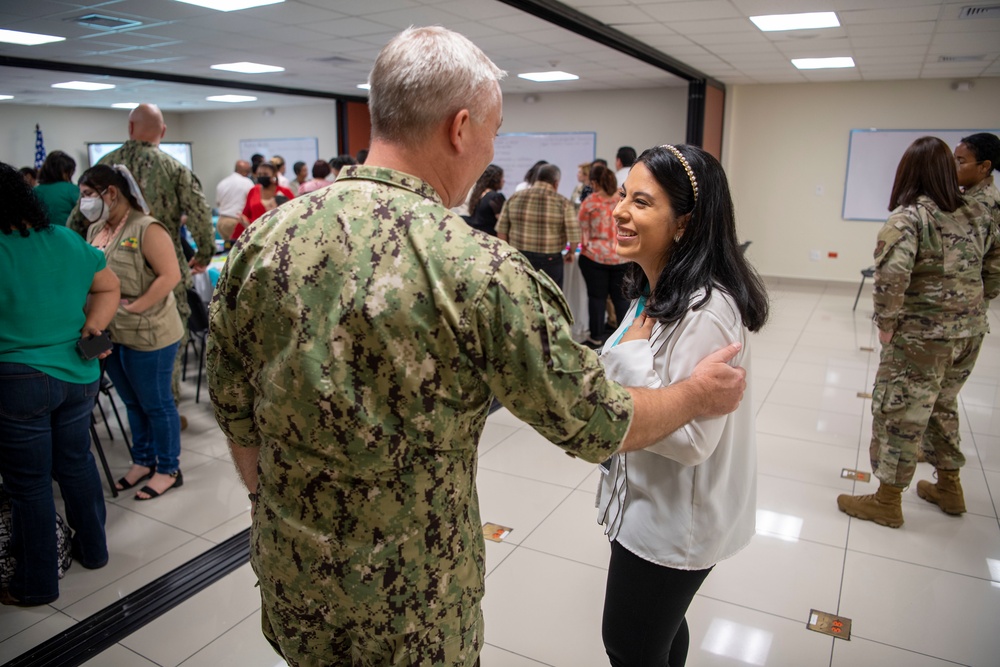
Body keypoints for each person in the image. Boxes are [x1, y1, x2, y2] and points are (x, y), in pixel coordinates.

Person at [207, 26, 746, 667]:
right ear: (460, 128)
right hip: (410, 604)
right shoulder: (478, 270)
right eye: (493, 130)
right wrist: (693, 393)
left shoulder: (262, 241)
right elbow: (596, 419)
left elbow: (233, 405)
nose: (493, 147)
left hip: (291, 572)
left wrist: (278, 502)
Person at [596, 144, 769, 667]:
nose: (620, 210)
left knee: (628, 644)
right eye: (623, 195)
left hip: (673, 522)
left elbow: (694, 440)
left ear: (684, 225)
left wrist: (626, 360)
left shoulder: (705, 310)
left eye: (642, 202)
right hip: (643, 502)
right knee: (662, 634)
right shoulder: (654, 286)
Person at [837, 137, 1000, 527]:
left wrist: (889, 326)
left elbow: (891, 278)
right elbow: (994, 270)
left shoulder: (909, 217)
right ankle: (949, 486)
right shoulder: (973, 212)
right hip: (969, 332)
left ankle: (888, 501)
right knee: (942, 407)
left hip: (923, 338)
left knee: (899, 412)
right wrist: (970, 309)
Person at [0, 161, 120, 606]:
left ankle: (36, 585)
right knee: (75, 463)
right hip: (78, 373)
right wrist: (94, 326)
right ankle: (95, 550)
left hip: (18, 381)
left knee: (29, 485)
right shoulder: (67, 239)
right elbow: (110, 288)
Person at [66, 103, 213, 426]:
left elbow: (77, 221)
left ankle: (139, 411)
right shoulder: (174, 168)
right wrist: (202, 255)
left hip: (109, 265)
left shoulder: (104, 167)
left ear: (130, 128)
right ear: (162, 132)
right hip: (164, 262)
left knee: (117, 342)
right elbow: (201, 215)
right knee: (167, 340)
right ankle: (166, 406)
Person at [80, 164, 186, 501]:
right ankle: (143, 460)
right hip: (110, 333)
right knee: (131, 401)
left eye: (87, 195)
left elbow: (170, 276)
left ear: (111, 193)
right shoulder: (96, 228)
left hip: (148, 332)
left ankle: (168, 469)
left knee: (156, 403)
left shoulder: (146, 228)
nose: (83, 203)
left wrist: (133, 307)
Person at [497, 163, 580, 289]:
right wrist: (571, 252)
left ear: (536, 178)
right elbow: (574, 236)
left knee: (520, 295)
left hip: (519, 256)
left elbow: (501, 231)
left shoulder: (514, 197)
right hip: (550, 260)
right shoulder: (563, 202)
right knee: (550, 301)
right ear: (556, 183)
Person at [577, 163, 629, 347]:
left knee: (597, 298)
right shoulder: (623, 201)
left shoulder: (590, 202)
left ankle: (596, 336)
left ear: (595, 183)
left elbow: (582, 230)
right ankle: (625, 337)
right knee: (621, 299)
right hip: (621, 256)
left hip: (594, 257)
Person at [231, 162, 294, 239]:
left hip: (278, 235)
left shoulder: (285, 192)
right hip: (255, 234)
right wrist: (234, 238)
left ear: (274, 175)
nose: (261, 177)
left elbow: (293, 212)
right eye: (259, 174)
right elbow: (245, 214)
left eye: (265, 174)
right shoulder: (253, 191)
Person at [955, 132, 1000, 223]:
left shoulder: (982, 203)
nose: (953, 165)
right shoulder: (968, 193)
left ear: (984, 166)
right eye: (954, 159)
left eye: (960, 161)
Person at [33, 151, 78, 227]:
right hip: (67, 234)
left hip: (41, 234)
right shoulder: (71, 189)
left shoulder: (34, 191)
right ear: (66, 172)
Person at [215, 160, 253, 241]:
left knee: (228, 249)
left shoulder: (223, 182)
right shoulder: (247, 182)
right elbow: (252, 203)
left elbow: (218, 203)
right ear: (245, 171)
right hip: (235, 221)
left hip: (221, 221)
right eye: (248, 171)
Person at [465, 164, 504, 236]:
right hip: (491, 237)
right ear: (496, 180)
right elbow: (502, 223)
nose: (503, 181)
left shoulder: (477, 194)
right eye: (502, 177)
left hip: (476, 234)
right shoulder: (495, 197)